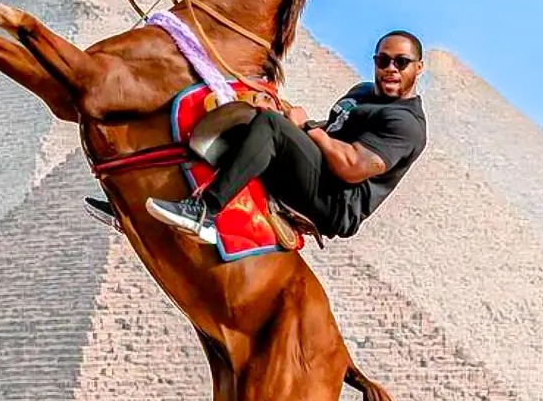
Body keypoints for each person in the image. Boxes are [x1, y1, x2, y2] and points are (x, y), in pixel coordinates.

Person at [87, 30, 428, 244]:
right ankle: (140, 205)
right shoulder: (363, 92)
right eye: (383, 60)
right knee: (246, 115)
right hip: (317, 171)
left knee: (271, 128)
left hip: (334, 201)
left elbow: (352, 166)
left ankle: (204, 213)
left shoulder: (406, 123)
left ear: (418, 67)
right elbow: (333, 131)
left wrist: (303, 127)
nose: (390, 69)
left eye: (401, 62)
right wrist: (284, 112)